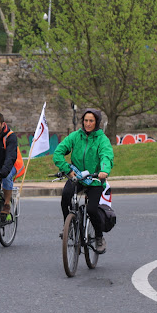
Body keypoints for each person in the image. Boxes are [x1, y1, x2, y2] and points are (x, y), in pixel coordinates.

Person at [53, 108, 113, 253]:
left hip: (95, 180)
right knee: (65, 198)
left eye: (91, 121)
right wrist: (67, 168)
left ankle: (99, 237)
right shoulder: (75, 136)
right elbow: (58, 153)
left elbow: (106, 155)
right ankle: (68, 226)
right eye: (85, 120)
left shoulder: (102, 139)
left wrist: (104, 170)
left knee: (92, 209)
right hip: (77, 177)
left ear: (96, 122)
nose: (88, 123)